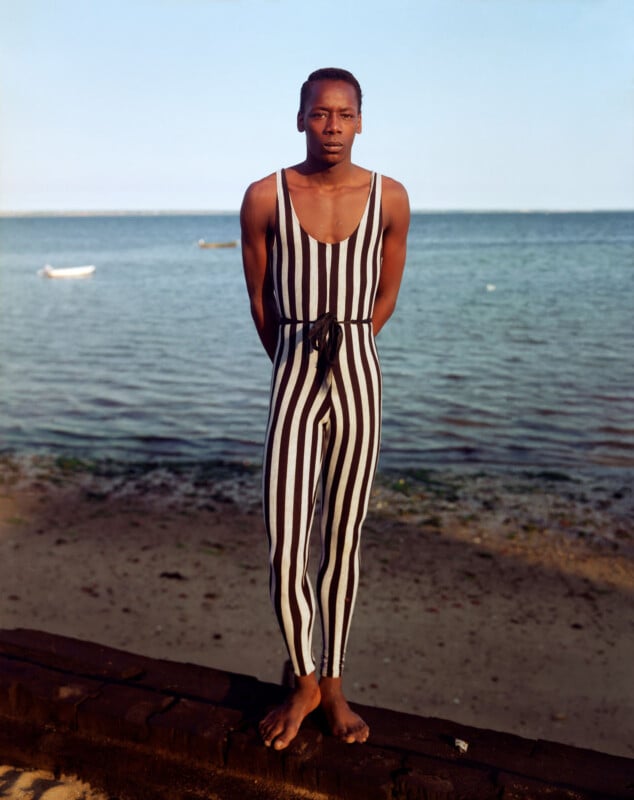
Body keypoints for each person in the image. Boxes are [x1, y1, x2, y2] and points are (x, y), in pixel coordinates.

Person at [240, 67, 410, 750]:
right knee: (286, 537)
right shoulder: (265, 196)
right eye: (320, 114)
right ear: (301, 118)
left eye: (344, 115)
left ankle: (333, 684)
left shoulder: (390, 197)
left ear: (360, 120)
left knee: (343, 537)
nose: (332, 127)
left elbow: (386, 295)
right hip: (292, 374)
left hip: (360, 376)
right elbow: (259, 300)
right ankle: (303, 677)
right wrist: (291, 357)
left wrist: (352, 351)